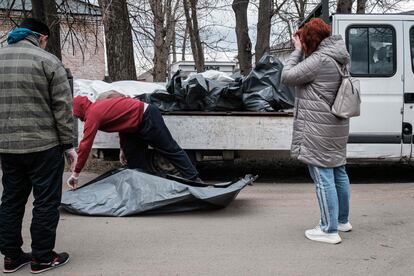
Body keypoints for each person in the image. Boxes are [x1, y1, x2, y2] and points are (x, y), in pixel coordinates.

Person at [0, 18, 76, 273]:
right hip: (44, 146)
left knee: (11, 199)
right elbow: (63, 107)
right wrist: (68, 145)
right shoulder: (48, 61)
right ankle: (42, 258)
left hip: (8, 146)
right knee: (45, 201)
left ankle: (11, 257)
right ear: (41, 37)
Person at [281, 18, 352, 244]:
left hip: (318, 128)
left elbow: (288, 76)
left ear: (310, 40)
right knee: (338, 173)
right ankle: (341, 220)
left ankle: (329, 230)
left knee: (323, 178)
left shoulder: (320, 59)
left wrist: (297, 50)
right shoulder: (337, 57)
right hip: (335, 125)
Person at [67, 94, 200, 188]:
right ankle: (145, 188)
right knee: (134, 159)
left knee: (169, 149)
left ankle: (195, 179)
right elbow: (122, 123)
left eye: (76, 115)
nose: (78, 118)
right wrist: (122, 149)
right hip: (133, 127)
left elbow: (85, 145)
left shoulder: (93, 114)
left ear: (80, 110)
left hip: (147, 116)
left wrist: (76, 173)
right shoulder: (98, 108)